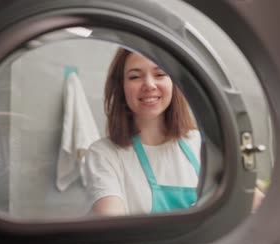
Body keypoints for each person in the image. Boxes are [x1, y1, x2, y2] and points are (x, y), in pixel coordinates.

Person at [84, 48, 201, 216]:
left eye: (160, 74)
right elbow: (112, 228)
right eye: (135, 77)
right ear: (121, 87)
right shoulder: (104, 154)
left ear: (174, 83)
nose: (149, 85)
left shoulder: (200, 144)